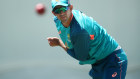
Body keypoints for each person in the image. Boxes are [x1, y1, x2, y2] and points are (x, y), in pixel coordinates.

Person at [47, 0, 128, 79]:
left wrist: (59, 43)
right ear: (53, 13)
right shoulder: (57, 20)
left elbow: (81, 57)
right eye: (57, 10)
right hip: (97, 63)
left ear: (71, 8)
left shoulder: (79, 31)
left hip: (113, 59)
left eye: (64, 9)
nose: (61, 13)